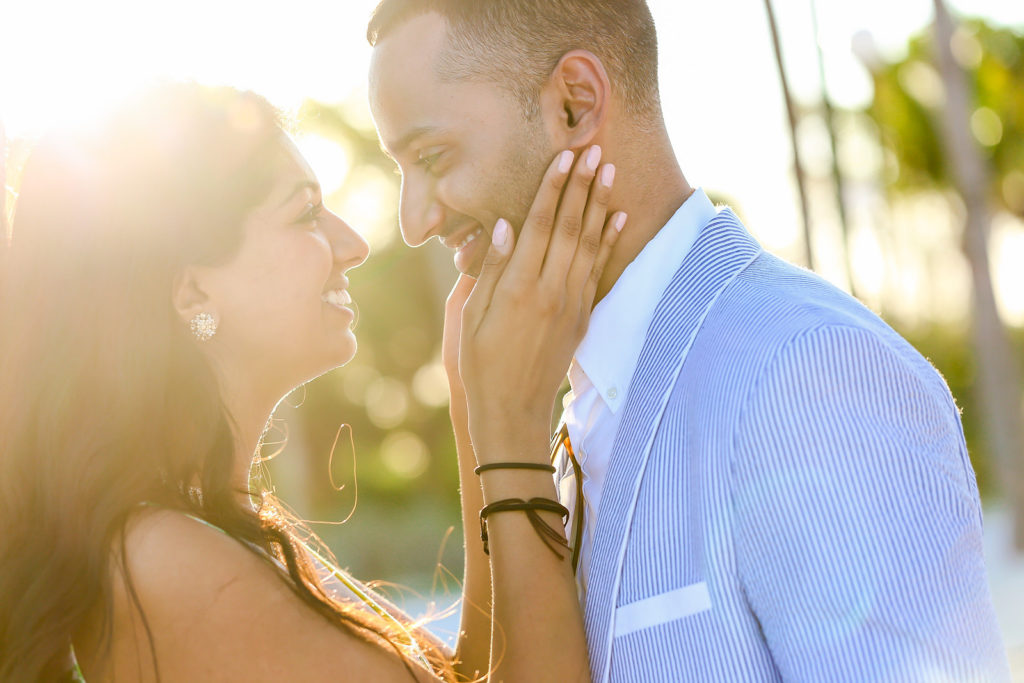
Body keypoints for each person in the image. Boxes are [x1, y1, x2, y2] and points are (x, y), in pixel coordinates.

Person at [365, 0, 1012, 680]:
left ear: (576, 106)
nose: (414, 220)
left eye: (432, 156)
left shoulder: (806, 368)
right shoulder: (562, 418)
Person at [0, 83, 625, 681]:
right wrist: (512, 417)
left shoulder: (204, 536)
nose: (352, 244)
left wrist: (472, 405)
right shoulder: (166, 566)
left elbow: (475, 677)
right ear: (190, 288)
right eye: (305, 214)